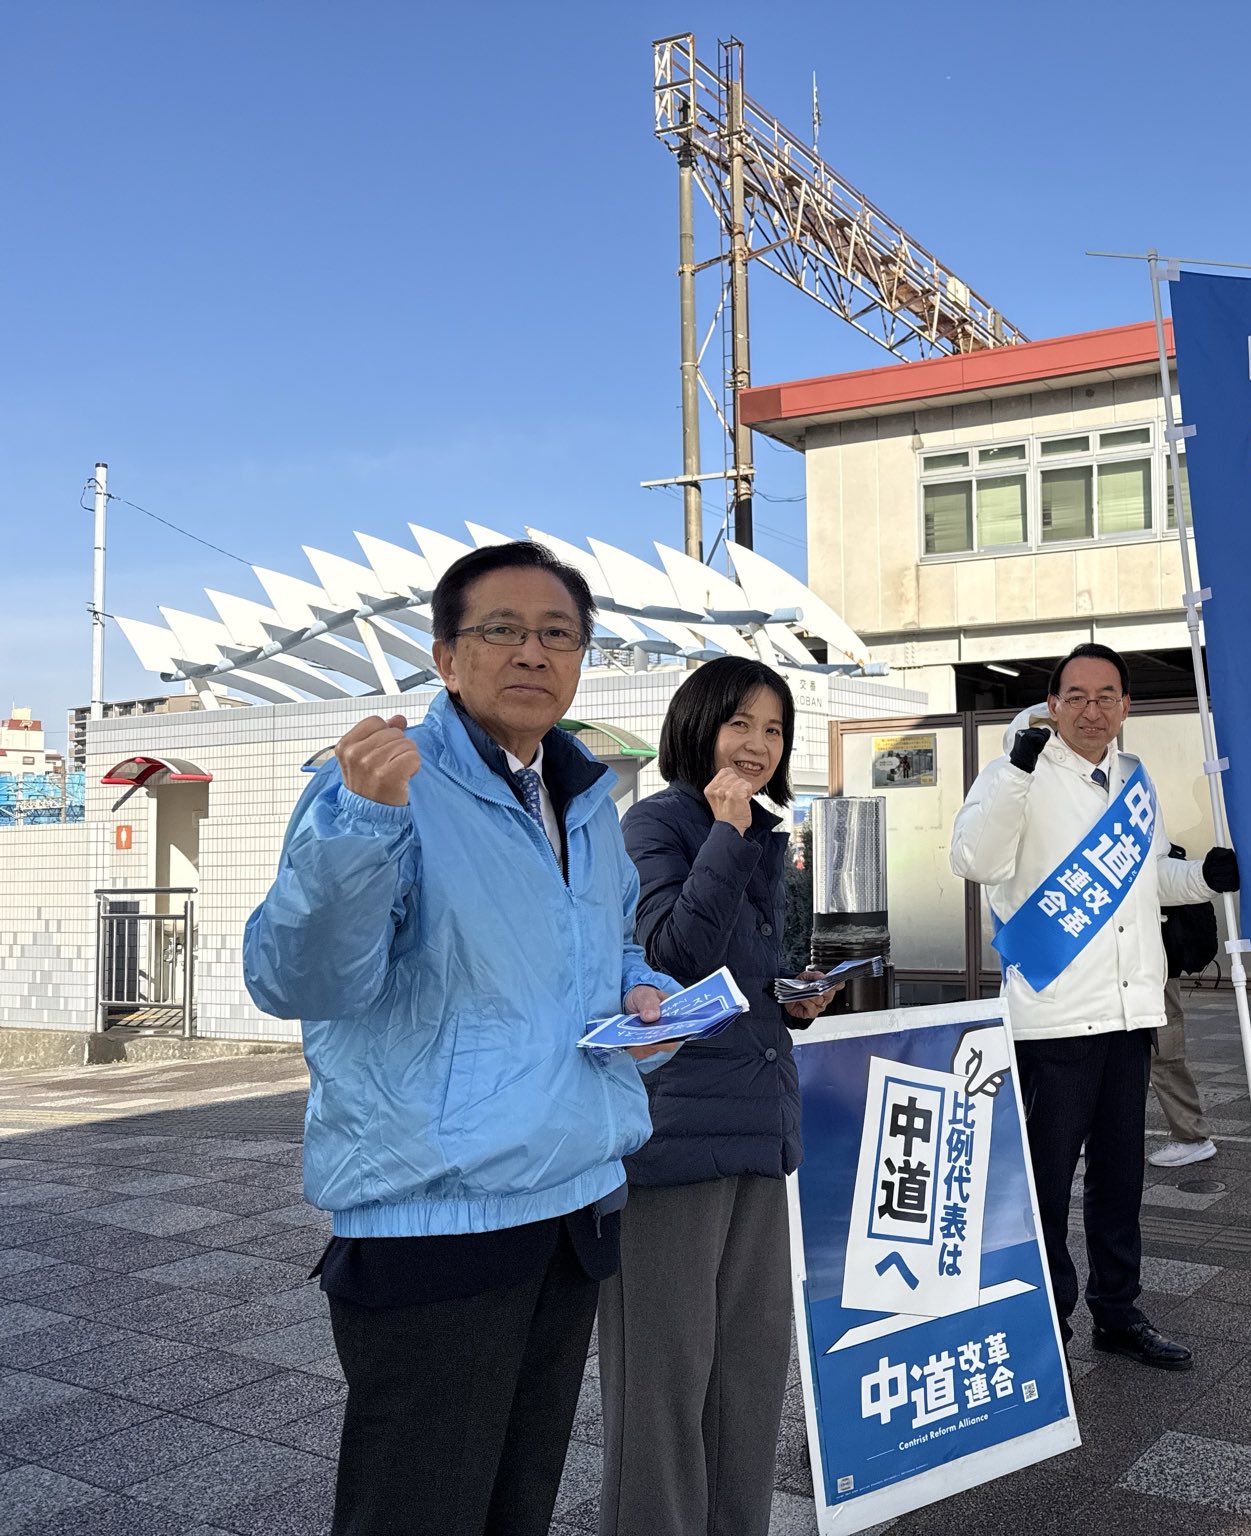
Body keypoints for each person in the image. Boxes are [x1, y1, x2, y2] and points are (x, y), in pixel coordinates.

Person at [244, 539, 679, 1536]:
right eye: (502, 631)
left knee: (514, 1505)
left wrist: (644, 996)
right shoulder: (378, 783)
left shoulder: (583, 797)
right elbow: (295, 980)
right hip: (439, 1221)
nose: (533, 654)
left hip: (572, 1206)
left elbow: (607, 946)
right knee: (420, 1511)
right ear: (444, 658)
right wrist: (362, 825)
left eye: (558, 634)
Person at [599, 655, 840, 1536]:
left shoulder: (755, 830)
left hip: (759, 1124)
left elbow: (740, 974)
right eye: (740, 723)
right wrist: (728, 834)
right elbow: (669, 961)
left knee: (748, 1374)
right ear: (698, 725)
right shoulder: (656, 824)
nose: (758, 745)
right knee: (663, 1381)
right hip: (674, 1135)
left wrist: (794, 992)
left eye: (774, 729)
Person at [951, 643, 1236, 1370]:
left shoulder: (1133, 779)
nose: (1091, 709)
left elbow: (1147, 880)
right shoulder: (1018, 772)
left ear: (1125, 707)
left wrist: (1204, 874)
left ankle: (1119, 1310)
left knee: (1120, 1180)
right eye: (1075, 695)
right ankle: (1047, 1325)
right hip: (1052, 1021)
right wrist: (1015, 766)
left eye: (1106, 696)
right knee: (1045, 1185)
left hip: (1127, 1016)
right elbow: (974, 861)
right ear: (1052, 703)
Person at [1148, 851, 1218, 1167]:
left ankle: (1192, 1135)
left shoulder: (1157, 857)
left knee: (1166, 1057)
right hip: (1141, 971)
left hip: (1155, 971)